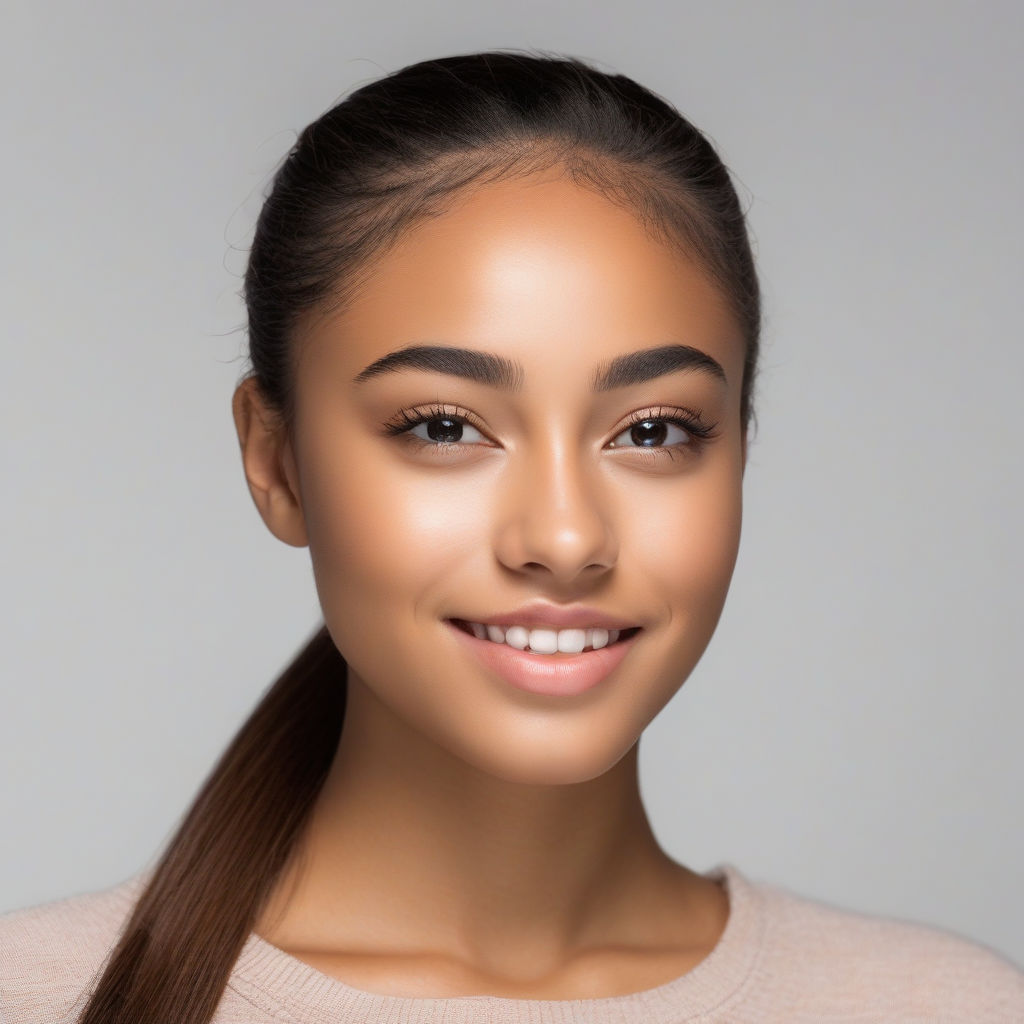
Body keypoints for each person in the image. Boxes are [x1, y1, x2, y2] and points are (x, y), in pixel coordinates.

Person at [2, 49, 1022, 1024]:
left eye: (653, 430)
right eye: (443, 427)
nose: (566, 536)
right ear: (278, 463)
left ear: (738, 455)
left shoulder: (942, 1005)